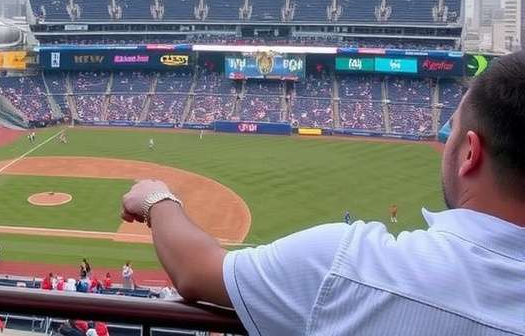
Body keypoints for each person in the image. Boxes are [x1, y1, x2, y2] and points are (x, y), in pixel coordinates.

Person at [120, 50, 525, 335]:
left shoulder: (347, 265)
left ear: (469, 151)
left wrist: (158, 199)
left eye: (450, 128)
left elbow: (196, 270)